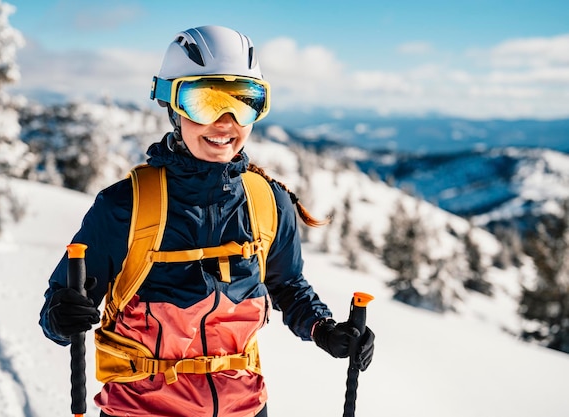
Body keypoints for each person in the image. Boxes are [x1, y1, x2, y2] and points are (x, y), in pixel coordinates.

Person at [39, 25, 375, 417]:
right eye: (205, 101)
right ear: (171, 105)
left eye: (245, 102)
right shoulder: (126, 207)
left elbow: (287, 285)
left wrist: (325, 330)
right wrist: (62, 318)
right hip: (142, 410)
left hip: (245, 408)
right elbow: (60, 308)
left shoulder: (268, 202)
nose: (226, 121)